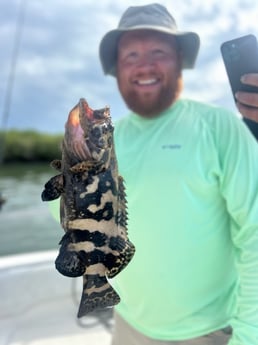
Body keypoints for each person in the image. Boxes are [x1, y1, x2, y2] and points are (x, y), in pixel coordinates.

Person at [98, 4, 258, 345]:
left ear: (180, 59)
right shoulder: (105, 141)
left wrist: (249, 336)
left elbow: (255, 236)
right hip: (127, 324)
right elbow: (74, 218)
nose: (144, 64)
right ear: (117, 68)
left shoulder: (221, 127)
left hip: (210, 332)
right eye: (131, 54)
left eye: (158, 51)